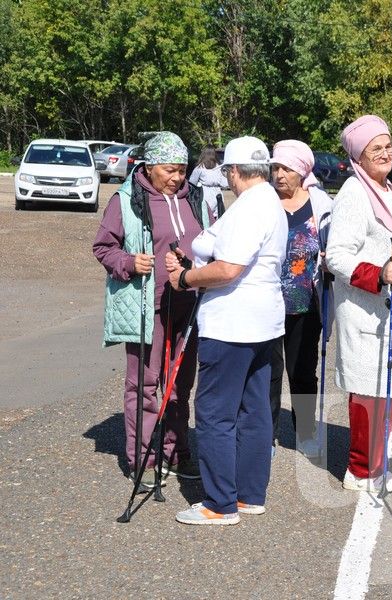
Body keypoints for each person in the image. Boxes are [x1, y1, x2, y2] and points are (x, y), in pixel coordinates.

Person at [166, 136, 288, 525]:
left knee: (216, 413)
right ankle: (250, 494)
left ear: (233, 172)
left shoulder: (251, 206)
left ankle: (219, 503)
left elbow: (228, 269)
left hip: (233, 323)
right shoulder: (270, 201)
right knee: (254, 410)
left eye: (227, 172)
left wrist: (185, 278)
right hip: (263, 322)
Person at [93, 131, 210, 490]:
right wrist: (129, 262)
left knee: (179, 383)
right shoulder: (127, 200)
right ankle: (142, 458)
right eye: (170, 170)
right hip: (148, 305)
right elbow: (103, 247)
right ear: (150, 165)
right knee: (144, 384)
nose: (177, 178)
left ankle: (176, 451)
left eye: (183, 170)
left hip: (188, 303)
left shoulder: (197, 198)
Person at [325, 115, 392, 493]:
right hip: (367, 311)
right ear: (360, 156)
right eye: (377, 149)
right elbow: (336, 256)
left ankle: (374, 465)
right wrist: (376, 274)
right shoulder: (355, 194)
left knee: (386, 388)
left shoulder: (387, 191)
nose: (386, 153)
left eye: (388, 146)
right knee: (368, 391)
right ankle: (360, 471)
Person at [267, 140, 334, 457]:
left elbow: (336, 245)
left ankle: (305, 432)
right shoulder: (264, 201)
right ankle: (264, 434)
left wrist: (329, 255)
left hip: (307, 302)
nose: (280, 175)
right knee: (267, 370)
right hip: (266, 302)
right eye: (276, 168)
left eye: (287, 169)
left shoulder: (320, 203)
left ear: (302, 170)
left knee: (303, 370)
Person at [189, 146, 228, 218]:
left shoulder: (199, 167)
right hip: (217, 195)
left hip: (204, 194)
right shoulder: (219, 167)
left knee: (205, 216)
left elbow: (192, 183)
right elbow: (225, 184)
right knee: (218, 216)